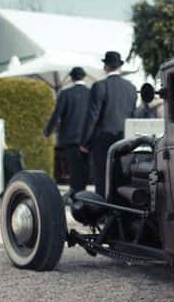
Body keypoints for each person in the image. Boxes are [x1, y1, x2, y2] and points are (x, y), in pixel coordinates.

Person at [81, 51, 137, 197]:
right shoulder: (131, 88)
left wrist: (85, 142)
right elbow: (133, 116)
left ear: (105, 67)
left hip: (102, 142)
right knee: (122, 178)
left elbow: (92, 117)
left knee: (102, 179)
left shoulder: (99, 86)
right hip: (125, 141)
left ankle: (104, 213)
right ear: (120, 67)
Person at [44, 66, 91, 195]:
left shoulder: (65, 94)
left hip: (70, 138)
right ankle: (82, 194)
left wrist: (47, 132)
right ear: (85, 77)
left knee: (73, 169)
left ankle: (76, 194)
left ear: (71, 78)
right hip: (88, 138)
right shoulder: (91, 93)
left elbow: (56, 114)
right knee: (84, 169)